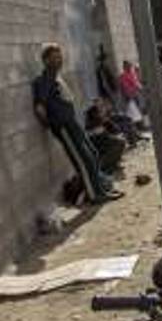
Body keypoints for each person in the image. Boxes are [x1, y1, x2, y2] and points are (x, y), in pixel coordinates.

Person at [32, 43, 121, 206]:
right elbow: (39, 106)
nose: (59, 60)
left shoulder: (57, 78)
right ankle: (95, 195)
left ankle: (101, 189)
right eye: (54, 58)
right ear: (45, 61)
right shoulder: (44, 80)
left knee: (92, 154)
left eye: (59, 56)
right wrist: (51, 124)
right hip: (64, 126)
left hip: (72, 123)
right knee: (83, 160)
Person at [84, 97, 128, 175]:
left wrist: (106, 121)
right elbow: (95, 132)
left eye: (102, 105)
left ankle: (112, 165)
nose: (102, 107)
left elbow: (114, 129)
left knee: (120, 141)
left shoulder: (103, 115)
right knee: (119, 143)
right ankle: (104, 167)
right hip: (97, 143)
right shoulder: (92, 115)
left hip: (103, 140)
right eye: (99, 105)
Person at [118, 60, 145, 126]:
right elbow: (125, 87)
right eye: (129, 66)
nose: (130, 67)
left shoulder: (132, 74)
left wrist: (140, 89)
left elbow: (136, 83)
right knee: (133, 111)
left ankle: (140, 124)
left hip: (134, 94)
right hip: (130, 96)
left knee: (138, 109)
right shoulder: (123, 76)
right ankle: (138, 124)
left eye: (130, 66)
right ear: (125, 67)